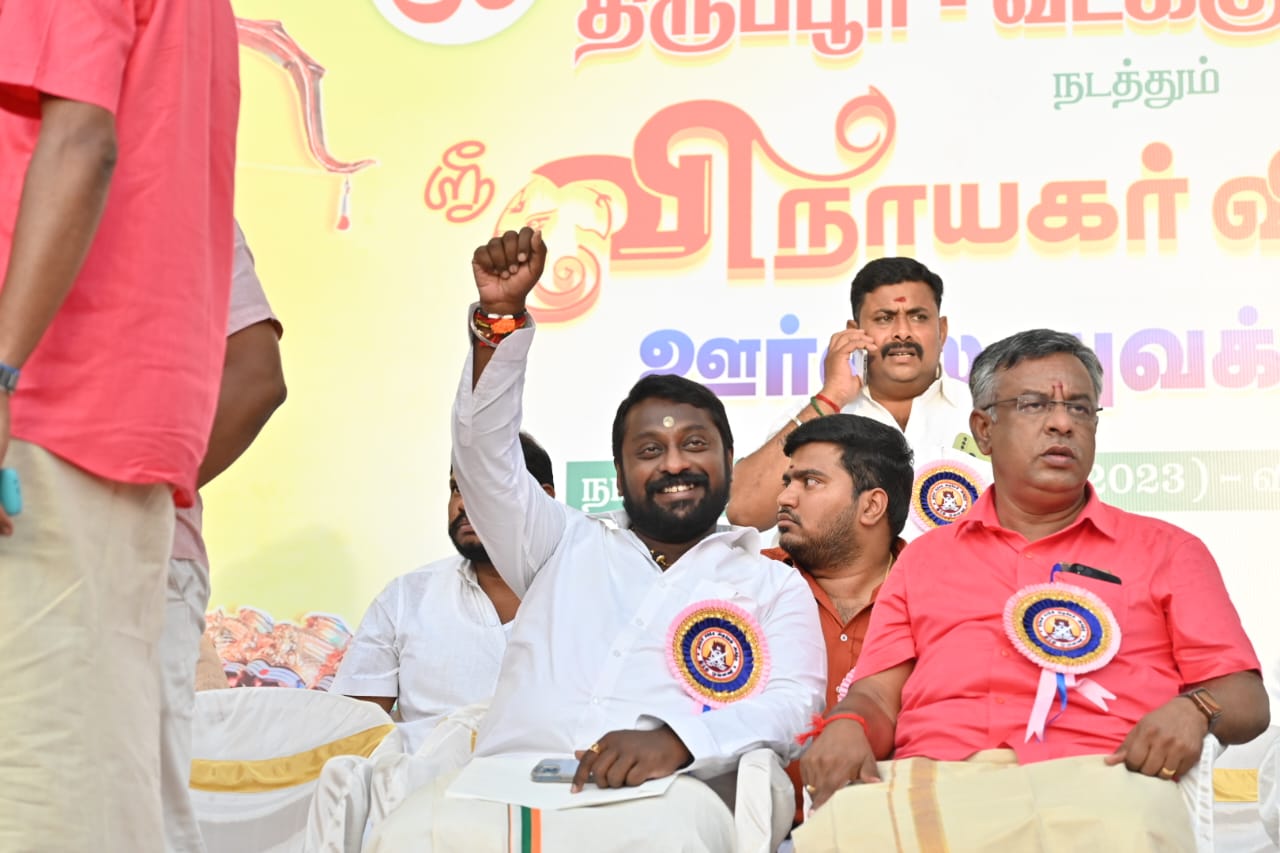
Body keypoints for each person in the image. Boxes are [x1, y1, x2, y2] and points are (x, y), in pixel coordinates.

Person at [366, 227, 825, 852]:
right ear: (618, 473)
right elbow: (483, 458)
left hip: (664, 799)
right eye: (649, 450)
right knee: (408, 834)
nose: (673, 463)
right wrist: (500, 321)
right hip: (503, 792)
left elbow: (796, 703)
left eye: (694, 444)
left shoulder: (771, 584)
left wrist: (678, 740)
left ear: (728, 459)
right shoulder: (558, 544)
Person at [795, 329, 1269, 852]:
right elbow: (877, 696)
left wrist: (1196, 708)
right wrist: (848, 723)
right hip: (938, 775)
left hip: (1106, 775)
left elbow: (1246, 698)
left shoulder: (1169, 551)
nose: (1063, 422)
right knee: (841, 833)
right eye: (1034, 404)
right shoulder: (924, 559)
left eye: (1080, 408)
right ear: (984, 430)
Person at [0, 2, 238, 849]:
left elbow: (81, 141)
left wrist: (1, 368)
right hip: (83, 427)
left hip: (43, 419)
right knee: (89, 789)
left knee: (42, 796)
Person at [163, 222, 286, 852]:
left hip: (120, 562)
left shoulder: (170, 186)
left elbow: (257, 379)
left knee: (132, 811)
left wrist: (120, 509)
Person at [331, 432, 556, 753]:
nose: (462, 503)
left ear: (544, 498)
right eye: (456, 488)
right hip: (425, 782)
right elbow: (349, 734)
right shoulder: (406, 598)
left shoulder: (591, 593)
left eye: (484, 485)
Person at [728, 257, 980, 538]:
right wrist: (831, 398)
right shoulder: (818, 413)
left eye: (918, 317)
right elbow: (744, 512)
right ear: (854, 331)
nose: (902, 332)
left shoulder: (983, 411)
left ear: (942, 331)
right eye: (884, 318)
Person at [760, 414, 914, 824]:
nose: (785, 498)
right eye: (787, 482)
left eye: (810, 482)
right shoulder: (748, 584)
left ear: (871, 506)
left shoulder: (938, 594)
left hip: (897, 829)